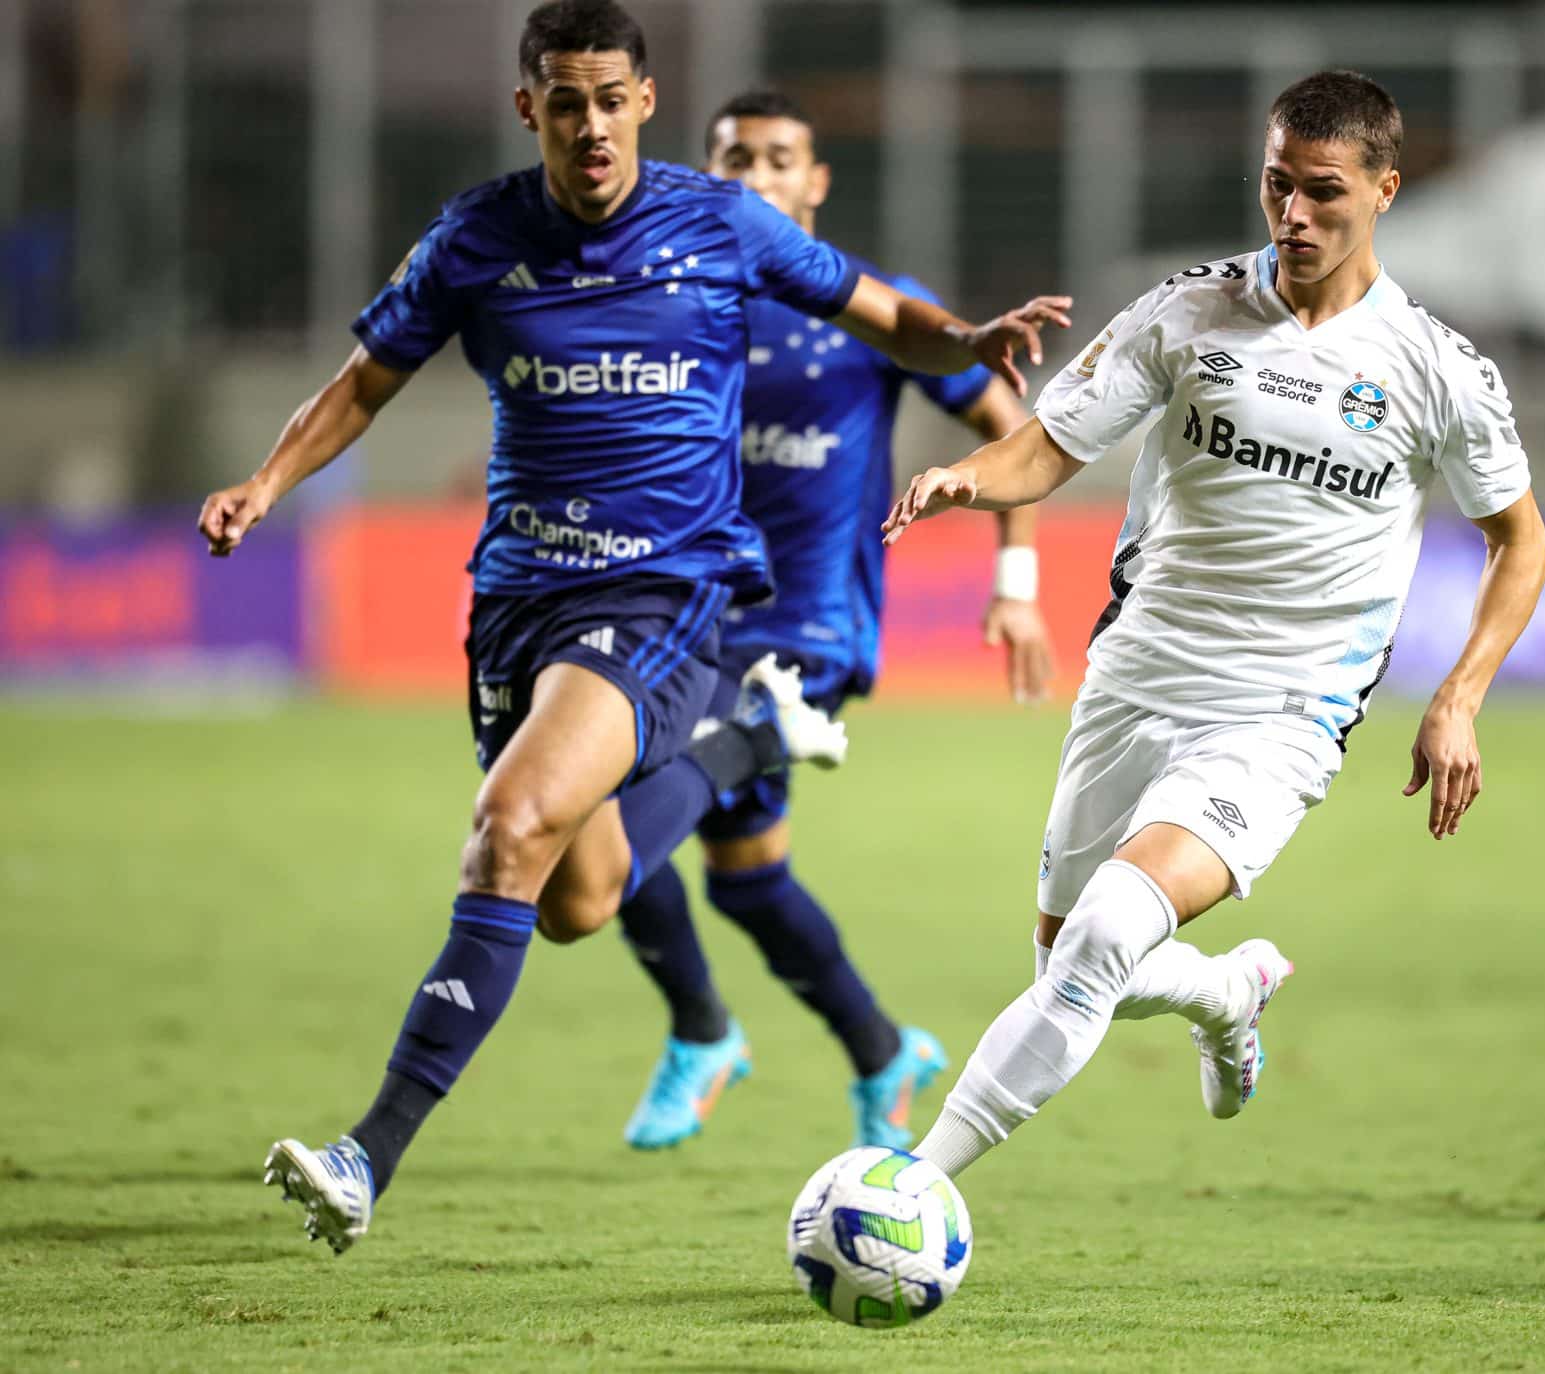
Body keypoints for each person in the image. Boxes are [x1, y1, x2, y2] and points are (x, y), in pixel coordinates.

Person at [197, 0, 1067, 1253]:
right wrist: (267, 483)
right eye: (567, 103)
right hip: (516, 599)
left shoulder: (719, 224)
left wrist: (966, 341)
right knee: (576, 894)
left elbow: (884, 314)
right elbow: (362, 384)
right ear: (530, 109)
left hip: (663, 592)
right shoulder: (474, 237)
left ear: (645, 103)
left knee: (510, 825)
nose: (592, 126)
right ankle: (744, 754)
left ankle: (366, 1153)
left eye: (612, 100)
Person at [879, 70, 1545, 1180]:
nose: (1294, 214)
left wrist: (1459, 697)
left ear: (1384, 190)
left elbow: (1518, 544)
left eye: (1324, 191)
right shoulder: (1186, 311)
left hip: (1281, 711)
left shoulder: (1437, 370)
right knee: (1067, 962)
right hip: (1136, 678)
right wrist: (967, 478)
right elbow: (1046, 447)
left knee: (1102, 940)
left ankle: (909, 1187)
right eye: (1277, 184)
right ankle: (1225, 991)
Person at [612, 90, 1056, 1153]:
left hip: (811, 632)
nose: (757, 176)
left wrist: (1017, 580)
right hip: (692, 619)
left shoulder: (873, 310)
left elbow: (1012, 425)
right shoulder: (684, 301)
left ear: (814, 182)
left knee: (607, 807)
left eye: (779, 159)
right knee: (747, 881)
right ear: (711, 177)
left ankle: (700, 1031)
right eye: (736, 160)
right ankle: (879, 1050)